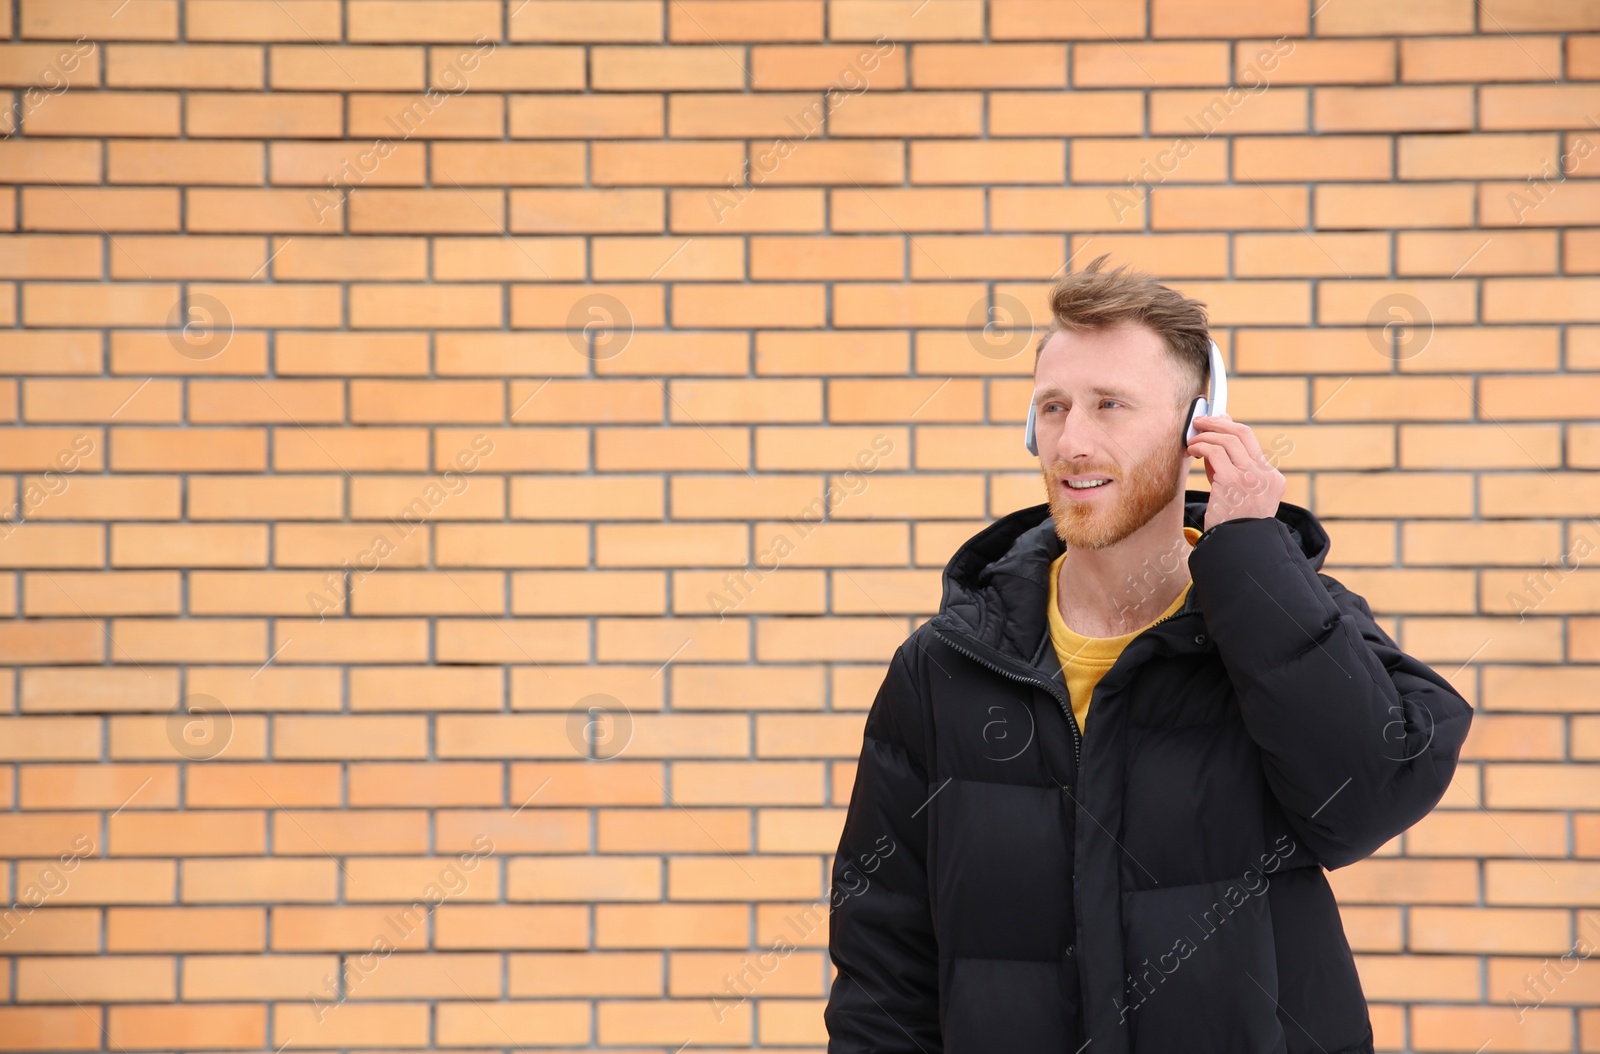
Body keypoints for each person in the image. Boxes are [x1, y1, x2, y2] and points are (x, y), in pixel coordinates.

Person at [822, 254, 1474, 1054]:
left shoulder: (1276, 616)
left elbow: (1366, 800)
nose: (1073, 441)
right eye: (1053, 407)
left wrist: (1252, 559)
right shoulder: (944, 667)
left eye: (1111, 405)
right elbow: (882, 966)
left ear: (1199, 426)